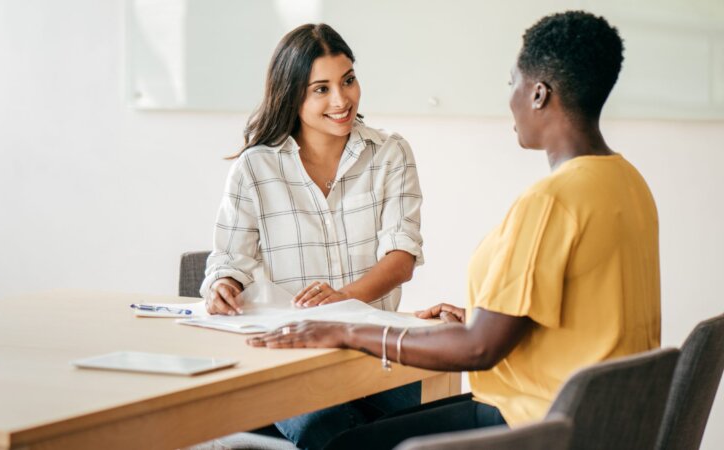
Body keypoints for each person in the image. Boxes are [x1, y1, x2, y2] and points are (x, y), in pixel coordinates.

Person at [248, 11, 661, 450]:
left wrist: (345, 331)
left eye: (512, 84)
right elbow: (587, 317)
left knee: (340, 445)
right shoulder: (628, 183)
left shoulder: (551, 202)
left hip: (535, 426)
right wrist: (479, 318)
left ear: (538, 94)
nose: (511, 99)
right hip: (602, 425)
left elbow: (479, 351)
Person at [200, 24, 425, 449]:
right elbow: (229, 259)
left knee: (426, 423)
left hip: (376, 353)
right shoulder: (254, 168)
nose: (341, 100)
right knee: (327, 432)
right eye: (320, 89)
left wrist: (346, 299)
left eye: (348, 80)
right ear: (292, 95)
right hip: (291, 358)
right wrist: (224, 285)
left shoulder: (390, 153)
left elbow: (402, 256)